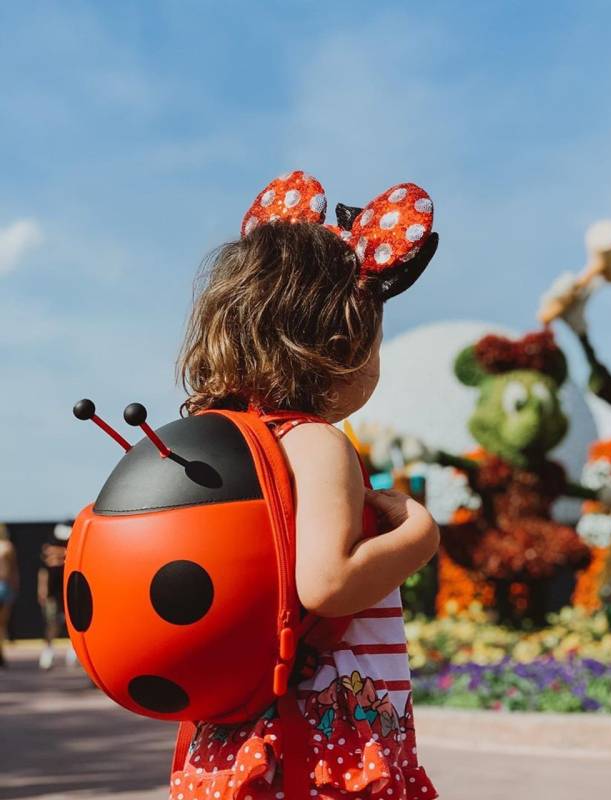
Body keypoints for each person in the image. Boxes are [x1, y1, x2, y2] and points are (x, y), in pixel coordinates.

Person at [171, 177, 441, 799]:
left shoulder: (228, 440)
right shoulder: (313, 443)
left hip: (236, 730)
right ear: (343, 342)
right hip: (317, 742)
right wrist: (419, 536)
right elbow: (329, 583)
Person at [37, 522, 76, 670]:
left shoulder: (74, 546)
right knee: (52, 622)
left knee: (71, 623)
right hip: (53, 593)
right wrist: (42, 590)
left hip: (69, 591)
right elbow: (43, 572)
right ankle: (48, 652)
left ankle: (74, 651)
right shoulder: (48, 549)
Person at [0, 524, 20, 667]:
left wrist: (15, 585)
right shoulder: (7, 547)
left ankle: (1, 653)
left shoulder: (8, 546)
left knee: (2, 623)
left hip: (5, 586)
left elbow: (13, 568)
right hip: (5, 585)